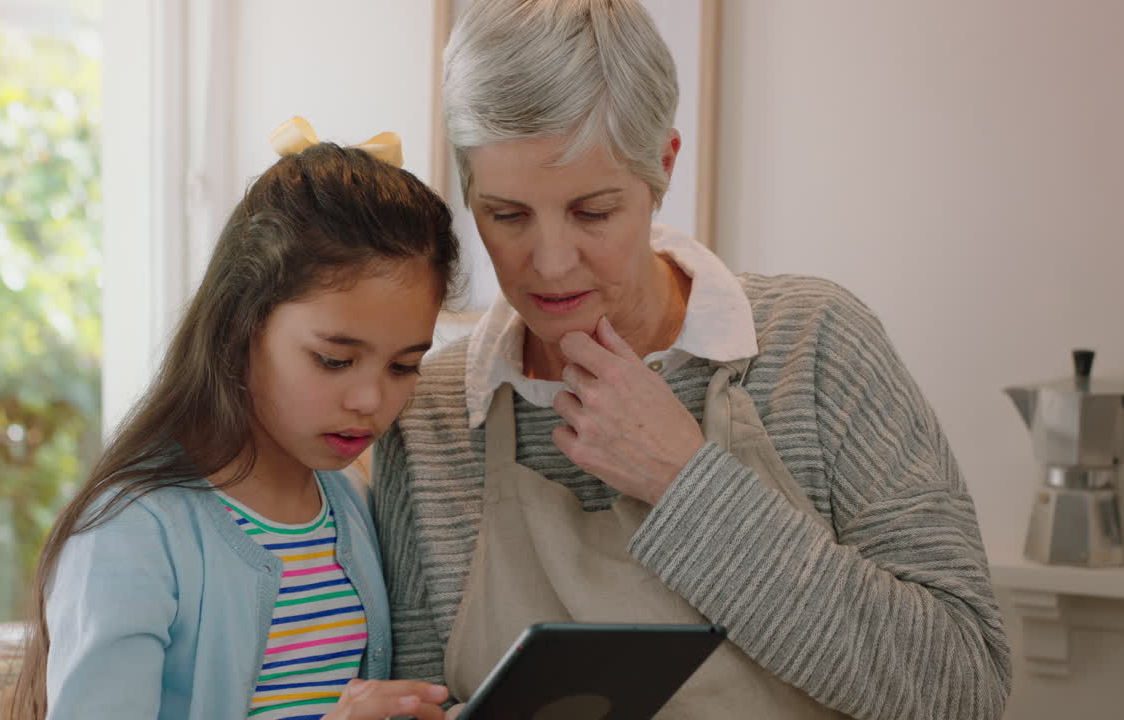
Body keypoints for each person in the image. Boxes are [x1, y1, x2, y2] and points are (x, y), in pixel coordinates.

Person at [370, 2, 1011, 718]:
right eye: (507, 215)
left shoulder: (817, 345)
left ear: (663, 168)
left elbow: (965, 688)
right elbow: (423, 698)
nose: (549, 264)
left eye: (593, 212)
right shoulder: (426, 415)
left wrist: (685, 484)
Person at [10, 132, 459, 720]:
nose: (371, 398)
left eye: (404, 366)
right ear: (243, 323)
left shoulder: (345, 504)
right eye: (333, 359)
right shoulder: (131, 535)